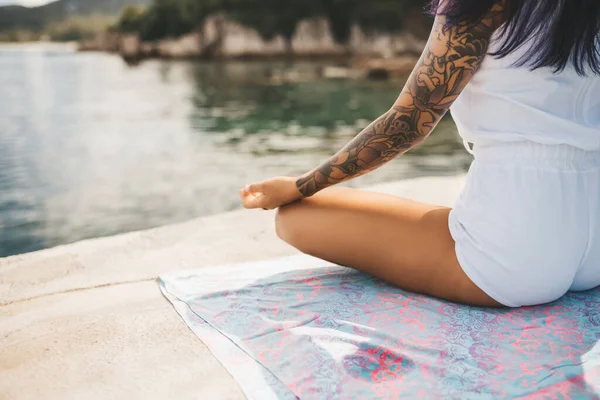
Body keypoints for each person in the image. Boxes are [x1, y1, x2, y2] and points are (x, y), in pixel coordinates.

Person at [238, 0, 600, 308]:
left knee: (295, 218)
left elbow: (409, 122)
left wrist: (300, 186)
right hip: (595, 243)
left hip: (515, 247)